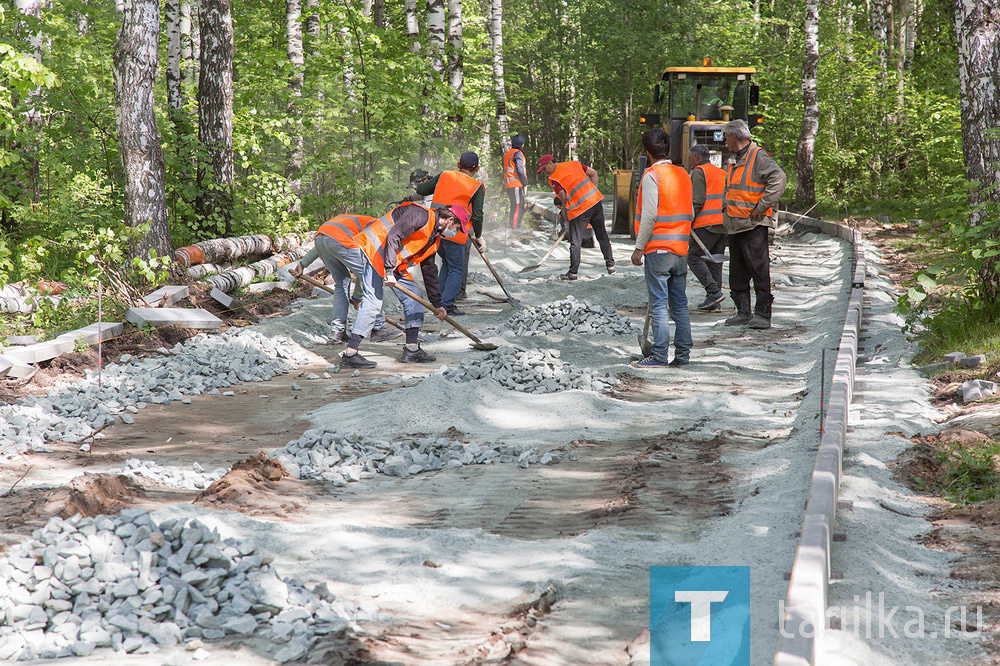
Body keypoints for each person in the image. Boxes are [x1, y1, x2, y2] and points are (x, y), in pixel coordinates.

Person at [339, 202, 467, 369]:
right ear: (450, 220)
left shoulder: (433, 236)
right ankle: (350, 353)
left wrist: (437, 304)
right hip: (374, 252)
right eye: (456, 227)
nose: (455, 232)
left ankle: (411, 349)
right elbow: (393, 236)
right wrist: (389, 271)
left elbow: (429, 269)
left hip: (391, 262)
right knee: (373, 303)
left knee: (414, 296)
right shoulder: (420, 215)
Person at [629, 128, 693, 368]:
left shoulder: (651, 175)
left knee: (658, 304)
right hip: (680, 250)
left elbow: (649, 216)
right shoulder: (683, 174)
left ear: (647, 152)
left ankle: (658, 356)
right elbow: (691, 211)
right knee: (680, 305)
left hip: (658, 251)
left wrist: (638, 248)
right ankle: (683, 355)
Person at [289, 215, 400, 343]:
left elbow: (327, 239)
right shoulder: (380, 230)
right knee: (373, 278)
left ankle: (338, 332)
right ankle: (379, 329)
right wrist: (358, 298)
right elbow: (366, 274)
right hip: (338, 240)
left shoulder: (359, 222)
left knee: (341, 284)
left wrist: (303, 263)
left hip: (320, 238)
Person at [721, 119, 786, 329]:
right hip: (736, 224)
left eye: (725, 137)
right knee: (737, 272)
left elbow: (779, 178)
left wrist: (762, 205)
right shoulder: (737, 158)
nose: (724, 142)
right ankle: (742, 312)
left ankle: (763, 314)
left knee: (758, 270)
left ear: (733, 136)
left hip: (752, 225)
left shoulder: (757, 156)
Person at [410, 152, 485, 315]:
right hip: (454, 229)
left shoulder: (445, 175)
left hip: (435, 225)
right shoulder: (477, 187)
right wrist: (479, 236)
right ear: (477, 169)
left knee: (446, 262)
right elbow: (478, 215)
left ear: (459, 165)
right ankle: (448, 304)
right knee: (456, 268)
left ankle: (440, 301)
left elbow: (422, 189)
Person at [537, 154, 616, 280]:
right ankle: (611, 266)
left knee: (575, 241)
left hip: (579, 211)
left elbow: (562, 195)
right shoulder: (574, 164)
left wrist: (566, 211)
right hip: (595, 203)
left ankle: (573, 273)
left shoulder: (555, 178)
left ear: (550, 163)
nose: (545, 172)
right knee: (602, 235)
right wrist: (593, 192)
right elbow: (594, 173)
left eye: (544, 169)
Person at [688, 145, 728, 311]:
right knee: (714, 261)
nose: (689, 161)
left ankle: (713, 292)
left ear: (696, 157)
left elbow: (697, 200)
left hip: (706, 224)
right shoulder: (722, 172)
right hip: (723, 223)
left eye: (690, 157)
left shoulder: (699, 172)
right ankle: (714, 301)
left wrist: (688, 220)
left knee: (694, 257)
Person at [503, 135, 528, 229]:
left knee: (514, 205)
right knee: (518, 206)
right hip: (516, 184)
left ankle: (513, 225)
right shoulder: (517, 153)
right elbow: (520, 169)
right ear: (521, 144)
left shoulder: (508, 153)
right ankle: (515, 227)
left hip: (509, 184)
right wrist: (525, 183)